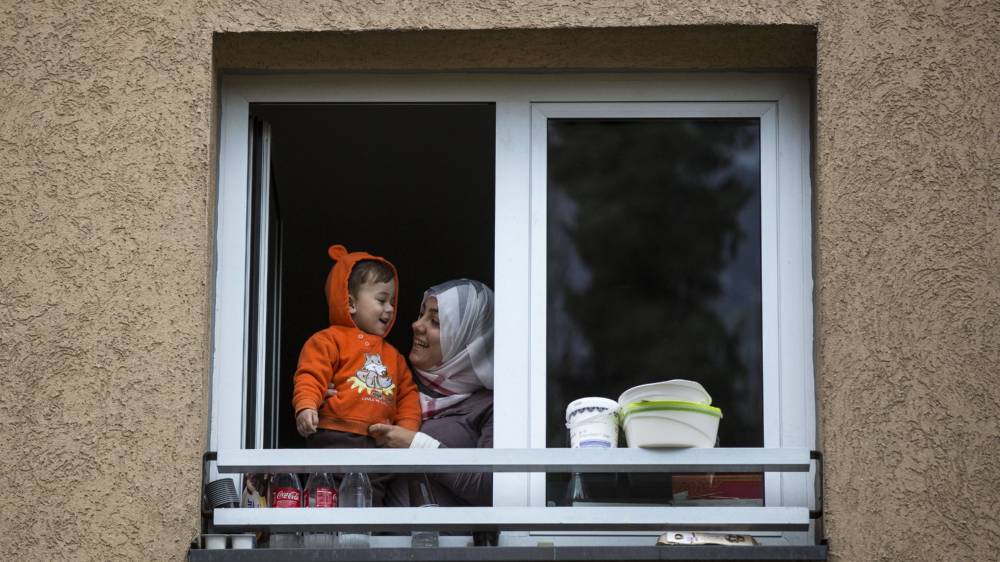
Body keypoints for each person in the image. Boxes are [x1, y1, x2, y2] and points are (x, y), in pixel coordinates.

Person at [292, 244, 422, 505]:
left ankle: (364, 541)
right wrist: (306, 406)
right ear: (350, 303)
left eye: (393, 303)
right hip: (334, 437)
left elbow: (408, 396)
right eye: (382, 300)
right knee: (325, 498)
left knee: (370, 503)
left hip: (377, 444)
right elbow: (310, 375)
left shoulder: (394, 356)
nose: (390, 309)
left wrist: (405, 432)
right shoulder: (328, 340)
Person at [367, 279, 495, 507]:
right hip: (374, 539)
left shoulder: (489, 406)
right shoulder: (390, 383)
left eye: (435, 321)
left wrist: (420, 447)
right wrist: (335, 400)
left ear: (467, 338)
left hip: (451, 542)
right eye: (422, 314)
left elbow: (492, 489)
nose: (417, 325)